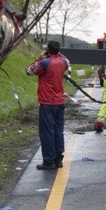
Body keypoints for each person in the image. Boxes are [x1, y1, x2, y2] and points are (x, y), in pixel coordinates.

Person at [26, 40, 70, 170]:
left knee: (47, 132)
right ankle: (58, 159)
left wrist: (41, 57)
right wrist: (55, 53)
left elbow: (29, 71)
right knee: (58, 130)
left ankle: (48, 160)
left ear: (48, 50)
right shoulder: (63, 62)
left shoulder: (44, 63)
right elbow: (66, 60)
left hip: (47, 103)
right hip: (60, 102)